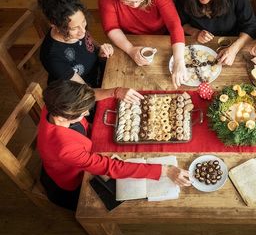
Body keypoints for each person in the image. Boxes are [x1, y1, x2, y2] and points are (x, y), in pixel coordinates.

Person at [37, 80, 191, 211]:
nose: (87, 114)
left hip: (83, 149)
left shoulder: (55, 101)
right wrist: (166, 170)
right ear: (61, 117)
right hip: (72, 182)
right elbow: (111, 167)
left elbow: (87, 95)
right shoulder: (64, 148)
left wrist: (116, 91)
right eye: (82, 113)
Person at [38, 0, 142, 104]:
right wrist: (115, 92)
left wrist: (100, 51)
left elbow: (90, 44)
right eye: (75, 28)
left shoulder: (75, 29)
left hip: (100, 75)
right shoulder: (53, 57)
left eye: (83, 22)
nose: (83, 31)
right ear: (55, 25)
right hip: (80, 97)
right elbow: (85, 93)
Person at [99, 0, 186, 88]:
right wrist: (130, 49)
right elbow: (111, 27)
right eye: (127, 1)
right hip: (126, 38)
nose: (135, 5)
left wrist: (179, 60)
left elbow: (174, 25)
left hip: (160, 35)